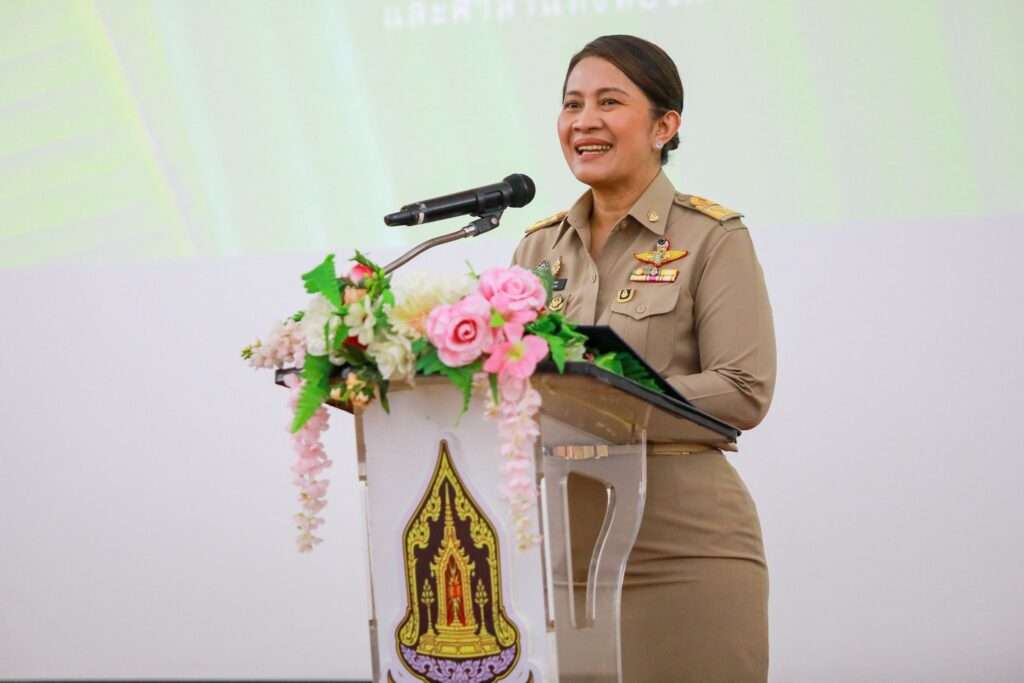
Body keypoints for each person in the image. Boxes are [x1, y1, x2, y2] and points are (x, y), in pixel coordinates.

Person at [512, 35, 776, 682]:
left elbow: (744, 388)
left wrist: (606, 394)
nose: (584, 121)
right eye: (572, 104)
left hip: (684, 549)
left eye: (609, 102)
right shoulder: (537, 251)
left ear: (664, 126)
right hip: (562, 559)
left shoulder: (711, 237)